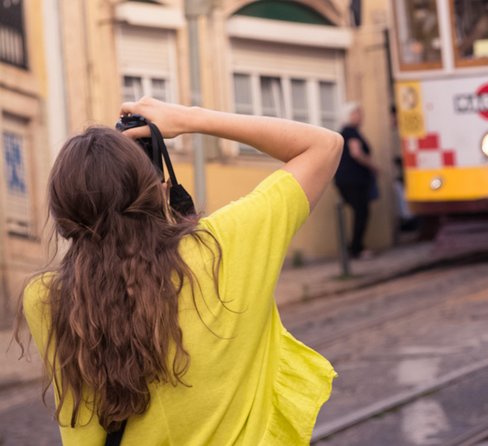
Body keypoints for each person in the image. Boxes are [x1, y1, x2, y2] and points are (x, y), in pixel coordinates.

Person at [13, 97, 343, 445]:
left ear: (63, 215)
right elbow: (324, 145)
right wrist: (190, 119)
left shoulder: (47, 299)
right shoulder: (224, 246)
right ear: (158, 189)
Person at [335, 102, 379, 260]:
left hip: (348, 179)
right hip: (354, 179)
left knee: (360, 212)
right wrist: (373, 166)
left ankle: (354, 247)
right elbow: (356, 153)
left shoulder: (346, 132)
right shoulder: (351, 132)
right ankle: (356, 249)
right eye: (357, 113)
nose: (361, 116)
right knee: (362, 212)